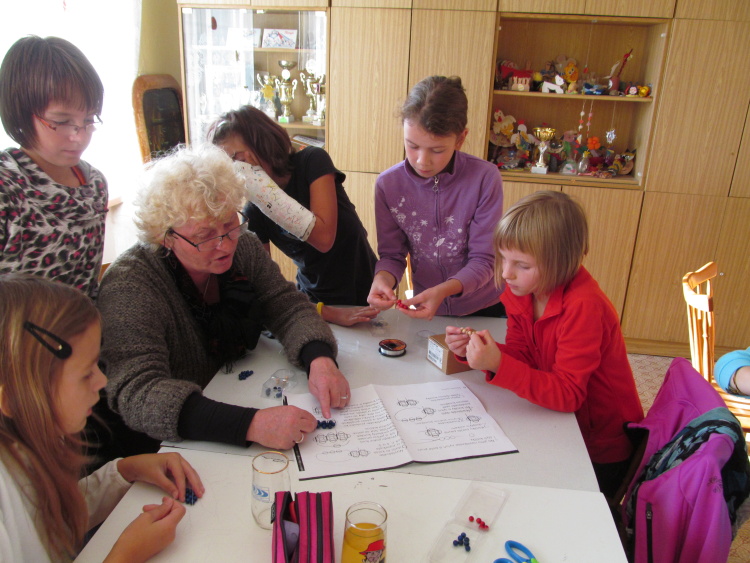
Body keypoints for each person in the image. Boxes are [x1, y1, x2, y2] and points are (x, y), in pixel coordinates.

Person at [97, 144, 350, 453]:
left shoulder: (244, 246)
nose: (226, 244)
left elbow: (286, 305)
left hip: (232, 393)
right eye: (204, 236)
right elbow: (138, 392)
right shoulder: (130, 285)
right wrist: (250, 424)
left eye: (230, 224)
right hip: (170, 444)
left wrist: (320, 359)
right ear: (166, 237)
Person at [444, 191, 644, 499]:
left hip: (600, 445)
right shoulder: (522, 291)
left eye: (522, 265)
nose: (506, 273)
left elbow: (569, 394)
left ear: (560, 264)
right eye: (503, 258)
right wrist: (478, 350)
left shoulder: (584, 307)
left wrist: (497, 363)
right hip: (559, 425)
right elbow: (525, 356)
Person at [0, 273, 204, 562]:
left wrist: (123, 471)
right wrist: (124, 556)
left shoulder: (31, 439)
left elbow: (51, 519)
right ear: (12, 399)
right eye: (86, 374)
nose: (101, 381)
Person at [209, 105, 379, 327]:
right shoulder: (254, 211)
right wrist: (327, 313)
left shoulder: (312, 162)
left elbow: (324, 239)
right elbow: (264, 286)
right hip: (315, 303)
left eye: (237, 158)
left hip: (367, 289)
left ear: (261, 141)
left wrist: (262, 190)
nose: (238, 170)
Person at [367, 75, 504, 320]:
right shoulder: (388, 185)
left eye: (437, 150)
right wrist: (382, 279)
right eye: (412, 146)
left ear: (460, 139)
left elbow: (484, 260)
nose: (422, 161)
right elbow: (392, 255)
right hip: (429, 307)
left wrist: (443, 291)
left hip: (485, 306)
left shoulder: (485, 178)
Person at [0, 36, 108, 298]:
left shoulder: (94, 184)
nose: (79, 136)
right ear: (22, 113)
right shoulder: (7, 187)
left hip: (84, 323)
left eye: (88, 119)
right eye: (61, 121)